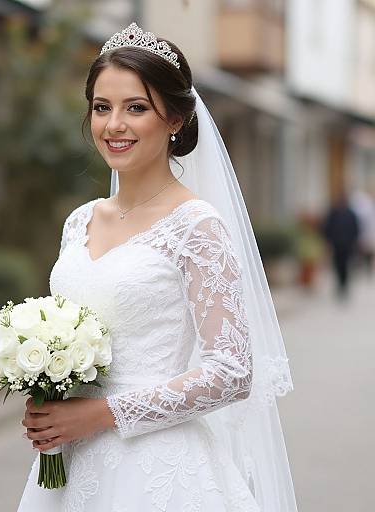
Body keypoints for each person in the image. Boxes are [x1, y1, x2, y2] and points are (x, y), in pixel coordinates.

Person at [17, 22, 297, 511]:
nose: (113, 125)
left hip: (158, 470)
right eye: (102, 107)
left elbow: (231, 371)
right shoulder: (79, 220)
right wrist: (47, 390)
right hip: (69, 467)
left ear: (175, 120)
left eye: (136, 108)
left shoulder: (197, 227)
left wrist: (103, 413)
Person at [322, 191, 360, 298]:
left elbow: (355, 228)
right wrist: (328, 240)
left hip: (347, 245)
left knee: (345, 265)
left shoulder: (350, 213)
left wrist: (354, 241)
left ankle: (344, 284)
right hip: (336, 244)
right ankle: (340, 284)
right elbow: (327, 228)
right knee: (337, 265)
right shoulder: (334, 213)